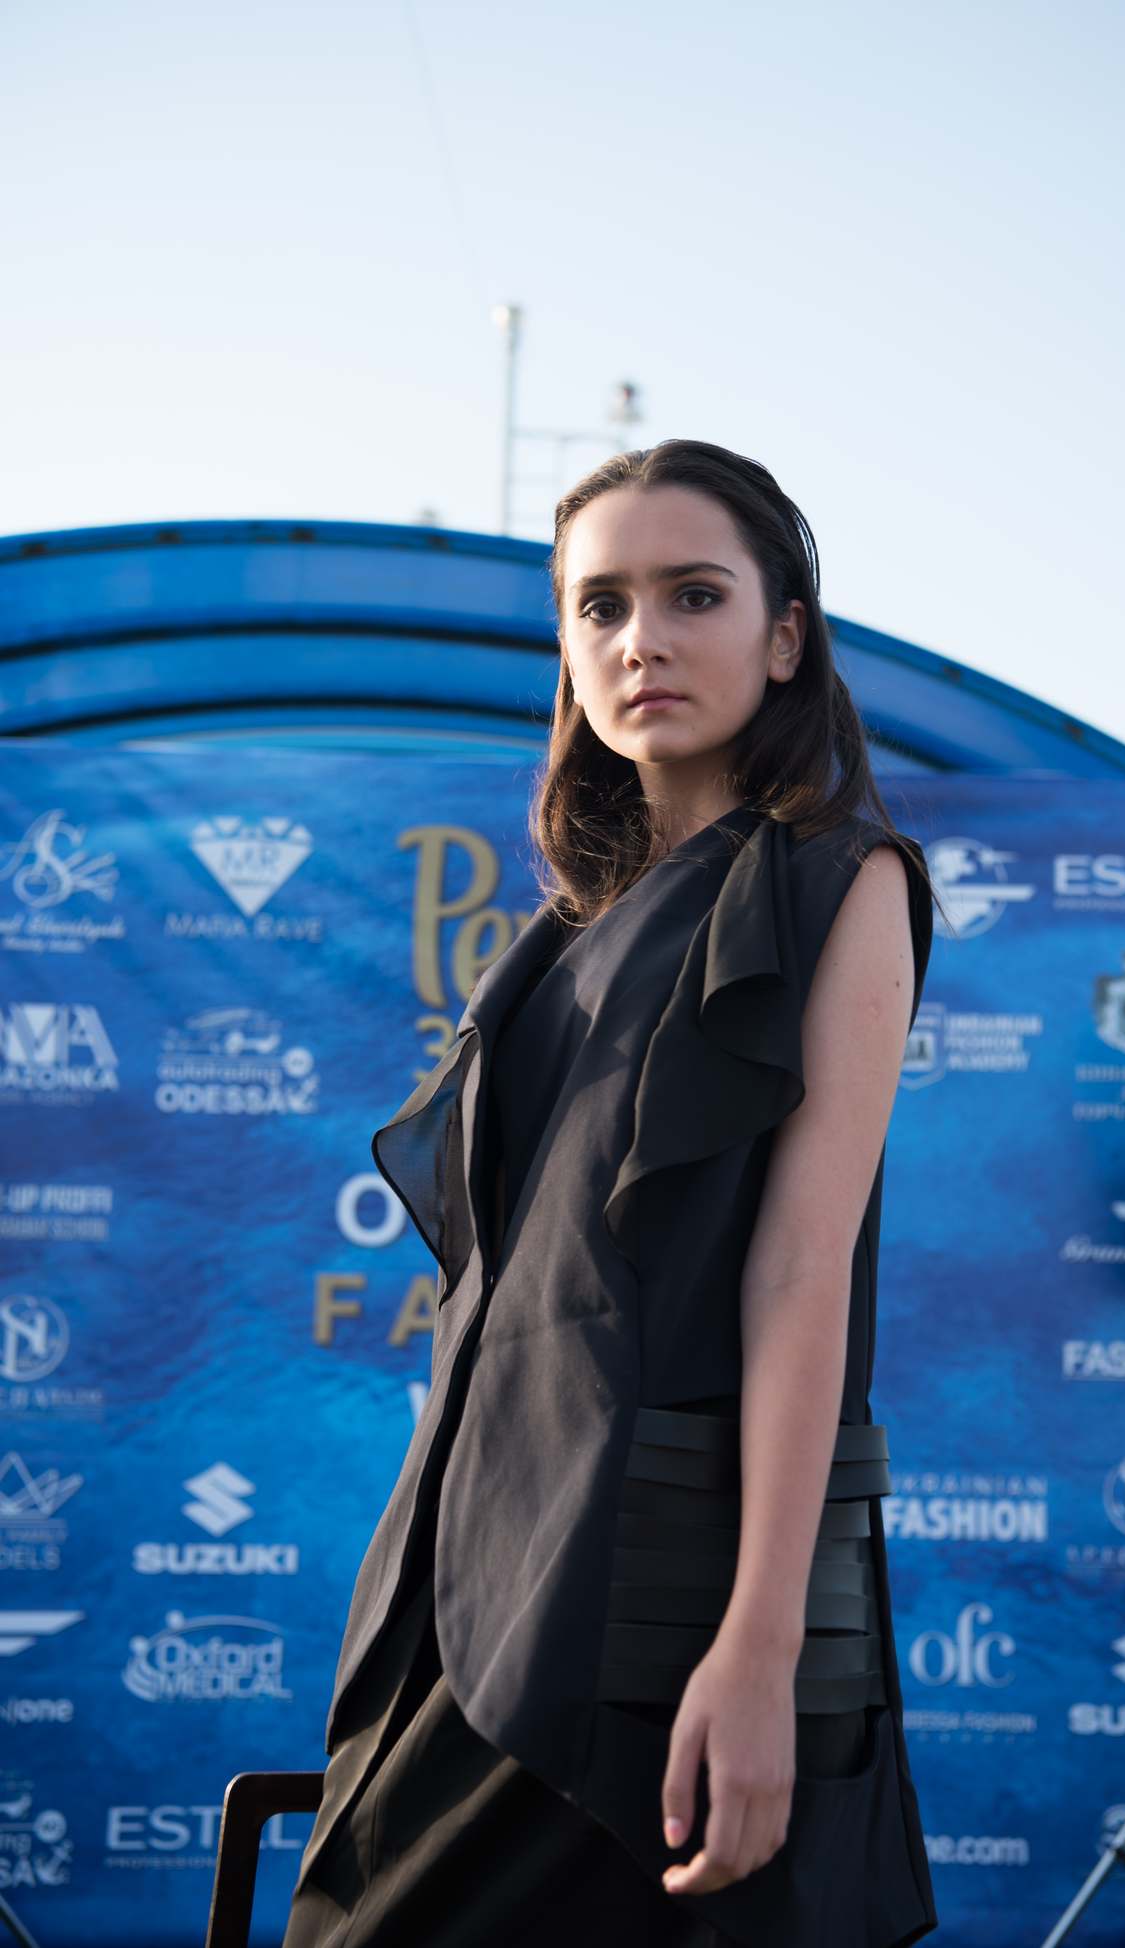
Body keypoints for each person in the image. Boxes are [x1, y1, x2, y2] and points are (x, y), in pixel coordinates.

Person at [282, 438, 941, 1947]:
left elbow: (800, 1276)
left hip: (664, 1599)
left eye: (694, 594)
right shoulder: (555, 941)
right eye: (601, 605)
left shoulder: (843, 880)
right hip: (465, 1568)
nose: (642, 638)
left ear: (786, 637)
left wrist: (762, 1649)